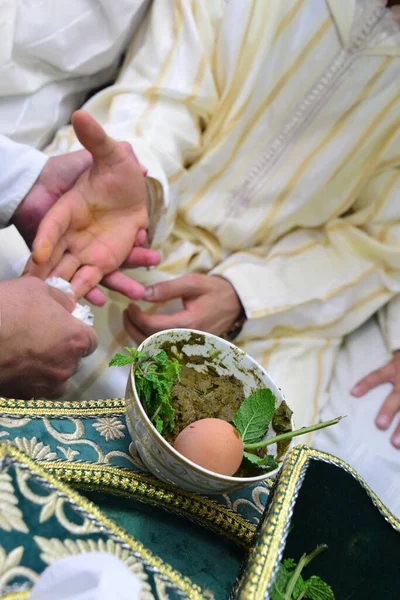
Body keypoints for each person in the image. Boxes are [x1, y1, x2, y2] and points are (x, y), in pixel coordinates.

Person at [21, 0, 400, 513]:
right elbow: (159, 96)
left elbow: (377, 244)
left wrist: (244, 296)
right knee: (29, 311)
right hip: (132, 232)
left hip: (275, 309)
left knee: (255, 489)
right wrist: (140, 185)